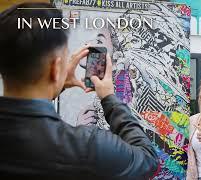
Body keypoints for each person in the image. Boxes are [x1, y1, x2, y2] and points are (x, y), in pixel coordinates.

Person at [0, 2, 158, 179]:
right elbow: (147, 160)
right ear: (55, 68)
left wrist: (53, 85)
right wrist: (109, 98)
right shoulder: (89, 144)